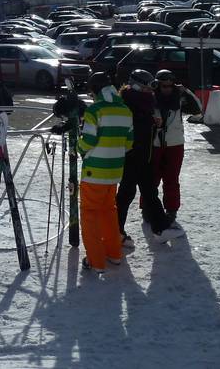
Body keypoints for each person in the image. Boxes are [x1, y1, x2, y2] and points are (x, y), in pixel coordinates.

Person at [114, 67, 183, 246]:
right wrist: (149, 123)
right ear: (137, 87)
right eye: (146, 88)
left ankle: (160, 228)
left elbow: (143, 125)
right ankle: (115, 232)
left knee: (149, 192)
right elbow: (130, 127)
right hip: (131, 155)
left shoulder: (144, 102)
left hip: (145, 155)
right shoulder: (129, 103)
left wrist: (152, 123)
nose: (150, 91)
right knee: (127, 194)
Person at [77, 72, 132, 273]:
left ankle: (96, 260)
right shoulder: (125, 110)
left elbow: (88, 140)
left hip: (94, 172)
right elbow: (129, 143)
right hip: (114, 171)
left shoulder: (95, 110)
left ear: (94, 91)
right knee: (109, 211)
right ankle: (114, 253)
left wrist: (78, 148)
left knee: (90, 214)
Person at [151, 70, 202, 222]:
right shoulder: (150, 97)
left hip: (175, 144)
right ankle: (148, 207)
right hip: (154, 144)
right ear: (157, 85)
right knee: (152, 179)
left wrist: (185, 91)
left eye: (170, 86)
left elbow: (197, 109)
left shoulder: (178, 98)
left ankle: (171, 210)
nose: (167, 89)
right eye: (163, 86)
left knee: (171, 179)